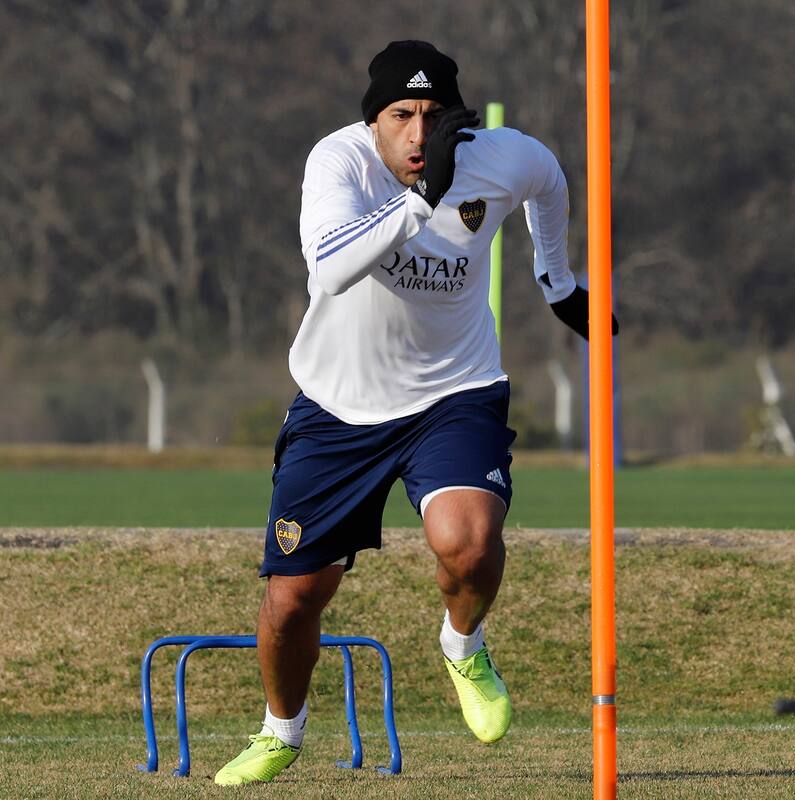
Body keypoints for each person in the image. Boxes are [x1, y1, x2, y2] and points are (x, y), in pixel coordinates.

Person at [214, 40, 615, 786]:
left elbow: (552, 181)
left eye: (434, 115)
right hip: (338, 405)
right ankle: (282, 731)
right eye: (401, 115)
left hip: (453, 392)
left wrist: (557, 281)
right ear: (374, 121)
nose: (418, 134)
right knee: (294, 598)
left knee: (467, 541)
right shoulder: (337, 161)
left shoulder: (505, 158)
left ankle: (463, 648)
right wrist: (418, 202)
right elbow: (330, 268)